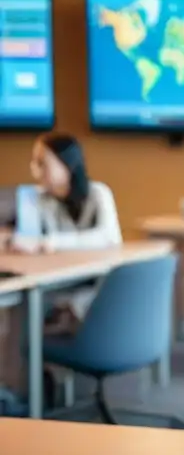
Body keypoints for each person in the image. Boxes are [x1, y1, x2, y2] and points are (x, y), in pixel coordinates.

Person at [0, 133, 122, 399]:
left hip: (95, 290)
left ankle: (24, 390)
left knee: (32, 313)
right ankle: (19, 390)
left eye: (43, 163)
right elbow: (26, 238)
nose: (35, 170)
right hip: (55, 286)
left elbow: (108, 237)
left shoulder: (98, 193)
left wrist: (48, 242)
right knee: (22, 305)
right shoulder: (37, 198)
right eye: (34, 162)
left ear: (67, 163)